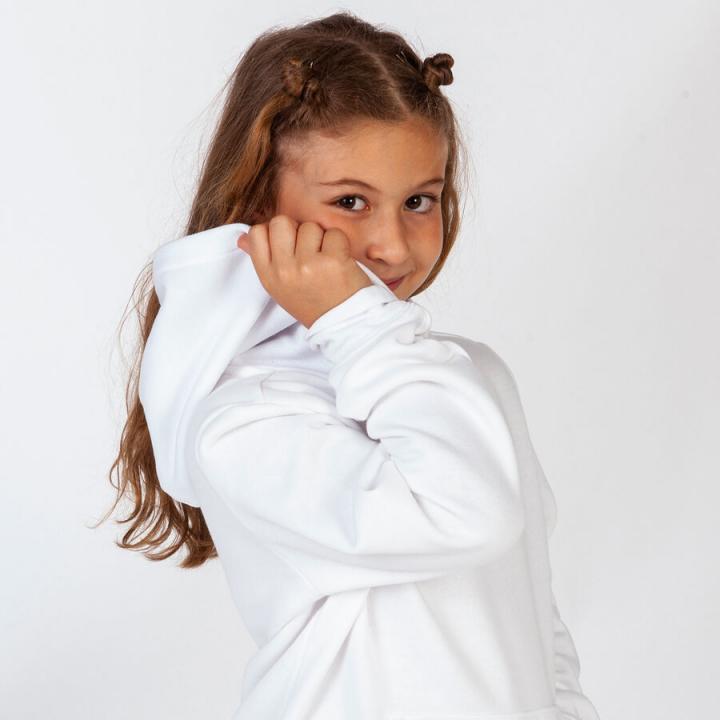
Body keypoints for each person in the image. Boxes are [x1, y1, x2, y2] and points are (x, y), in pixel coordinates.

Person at [103, 11, 601, 720]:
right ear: (259, 204)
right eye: (350, 201)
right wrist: (355, 319)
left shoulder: (464, 375)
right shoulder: (246, 418)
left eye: (419, 201)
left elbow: (529, 602)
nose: (392, 244)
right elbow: (469, 514)